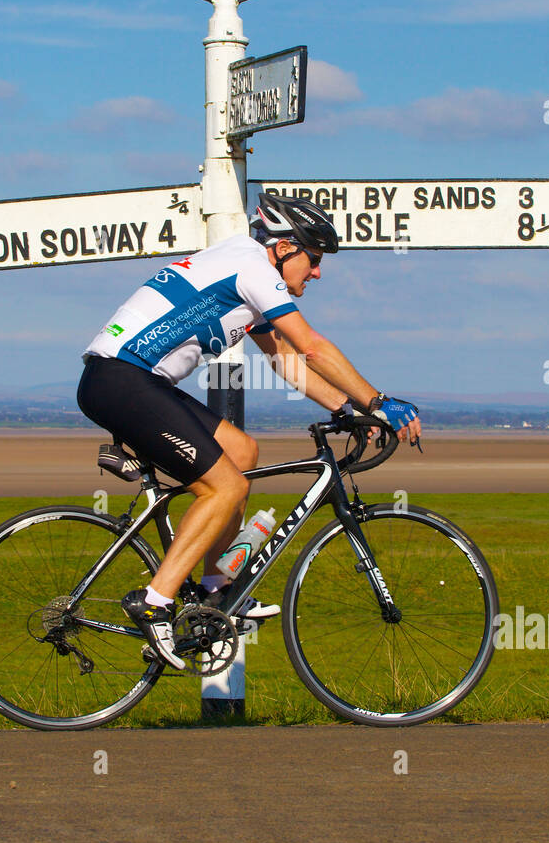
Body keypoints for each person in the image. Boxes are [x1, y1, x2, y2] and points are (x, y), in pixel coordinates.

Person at [77, 193, 421, 668]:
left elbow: (285, 358)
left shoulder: (247, 269)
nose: (317, 273)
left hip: (132, 381)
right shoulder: (253, 267)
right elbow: (312, 347)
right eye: (314, 259)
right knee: (225, 488)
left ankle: (217, 591)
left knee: (241, 451)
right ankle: (153, 602)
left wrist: (346, 407)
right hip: (121, 379)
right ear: (283, 248)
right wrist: (379, 403)